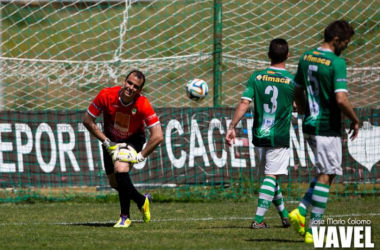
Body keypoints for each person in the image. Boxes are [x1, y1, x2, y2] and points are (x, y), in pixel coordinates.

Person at [289, 20, 359, 243]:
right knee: (328, 173)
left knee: (326, 173)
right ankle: (312, 229)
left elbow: (297, 90)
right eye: (346, 42)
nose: (347, 46)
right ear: (336, 40)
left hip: (309, 123)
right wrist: (355, 119)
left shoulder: (306, 57)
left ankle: (301, 210)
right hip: (327, 126)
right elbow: (341, 99)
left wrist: (304, 111)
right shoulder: (337, 63)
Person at [226, 38, 294, 229]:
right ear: (288, 56)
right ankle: (258, 220)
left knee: (270, 177)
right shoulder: (291, 81)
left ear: (268, 55)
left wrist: (232, 126)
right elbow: (299, 105)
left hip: (260, 135)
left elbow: (244, 103)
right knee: (271, 177)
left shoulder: (257, 77)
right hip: (279, 136)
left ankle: (285, 216)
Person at [83, 70, 164, 228]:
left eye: (136, 86)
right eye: (129, 83)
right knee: (116, 183)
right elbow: (87, 121)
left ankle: (124, 217)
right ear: (124, 81)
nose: (131, 88)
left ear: (139, 91)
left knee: (120, 168)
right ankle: (142, 200)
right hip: (110, 140)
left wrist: (141, 156)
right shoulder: (106, 95)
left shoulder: (142, 103)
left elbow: (158, 135)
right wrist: (107, 142)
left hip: (133, 139)